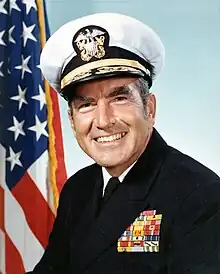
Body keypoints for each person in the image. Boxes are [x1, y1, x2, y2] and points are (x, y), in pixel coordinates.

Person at [27, 13, 220, 274]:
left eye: (119, 98)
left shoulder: (201, 196)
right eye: (86, 105)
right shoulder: (79, 189)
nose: (104, 121)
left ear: (149, 109)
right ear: (72, 121)